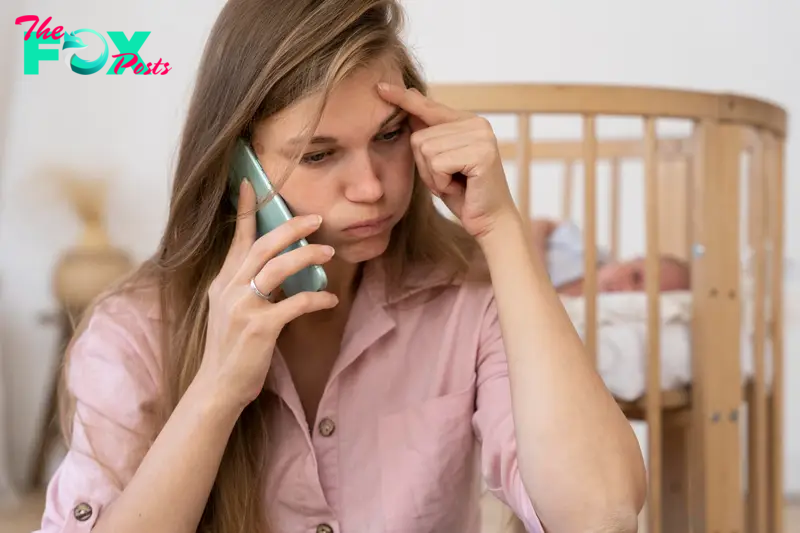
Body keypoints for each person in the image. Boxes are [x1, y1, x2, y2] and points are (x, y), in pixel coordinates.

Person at [36, 1, 646, 532]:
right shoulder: (132, 334)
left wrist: (502, 230)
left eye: (388, 137)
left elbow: (601, 516)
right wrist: (216, 392)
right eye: (320, 154)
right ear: (236, 168)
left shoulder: (468, 302)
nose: (371, 188)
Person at [529, 218, 691, 296]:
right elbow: (536, 225)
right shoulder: (587, 250)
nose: (625, 291)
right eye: (636, 277)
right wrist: (537, 277)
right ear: (634, 258)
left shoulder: (591, 319)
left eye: (637, 297)